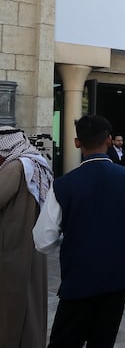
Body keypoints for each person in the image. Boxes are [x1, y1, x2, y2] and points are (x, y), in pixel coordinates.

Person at [33, 115, 125, 347]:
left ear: (77, 142)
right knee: (103, 339)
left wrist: (71, 236)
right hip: (116, 276)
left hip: (78, 277)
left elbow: (43, 240)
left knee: (65, 340)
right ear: (110, 140)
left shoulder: (63, 185)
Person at [0, 127, 52, 347]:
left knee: (14, 302)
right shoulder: (35, 163)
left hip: (13, 246)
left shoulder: (15, 167)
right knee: (30, 299)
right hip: (31, 246)